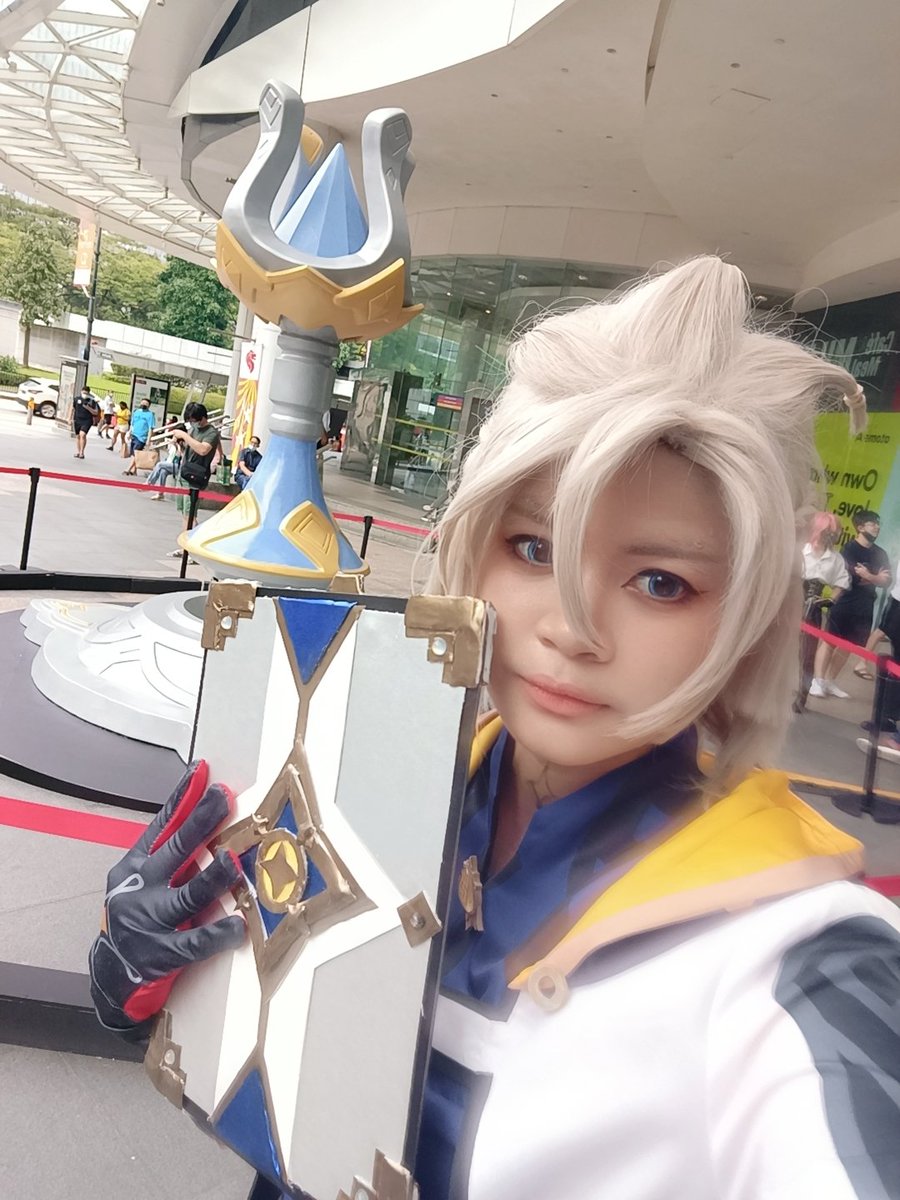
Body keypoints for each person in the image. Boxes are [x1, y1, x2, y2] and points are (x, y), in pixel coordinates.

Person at [89, 258, 900, 1200]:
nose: (572, 628)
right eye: (533, 547)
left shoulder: (795, 953)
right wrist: (143, 971)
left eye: (660, 581)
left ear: (744, 620)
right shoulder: (377, 774)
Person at [810, 508, 890, 698]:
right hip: (844, 602)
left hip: (865, 605)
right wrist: (875, 577)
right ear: (860, 527)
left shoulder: (881, 553)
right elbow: (852, 577)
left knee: (848, 645)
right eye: (872, 523)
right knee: (830, 641)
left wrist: (869, 576)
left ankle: (829, 682)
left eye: (878, 523)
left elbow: (887, 581)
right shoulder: (849, 549)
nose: (877, 527)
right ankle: (817, 681)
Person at [795, 511, 850, 710]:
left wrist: (830, 599)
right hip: (791, 606)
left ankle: (801, 696)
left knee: (807, 655)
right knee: (779, 650)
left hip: (814, 611)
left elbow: (842, 583)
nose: (832, 535)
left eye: (835, 532)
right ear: (817, 530)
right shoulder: (800, 550)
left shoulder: (835, 559)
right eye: (829, 531)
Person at [165, 402, 220, 555]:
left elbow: (203, 450)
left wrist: (184, 435)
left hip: (196, 478)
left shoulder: (211, 433)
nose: (191, 423)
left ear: (201, 418)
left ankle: (194, 550)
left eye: (193, 420)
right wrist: (180, 443)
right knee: (185, 515)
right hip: (185, 473)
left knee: (191, 515)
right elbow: (190, 449)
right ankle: (185, 549)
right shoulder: (194, 429)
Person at [123, 398, 157, 476]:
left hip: (142, 437)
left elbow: (151, 428)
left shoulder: (150, 415)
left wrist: (148, 439)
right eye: (142, 403)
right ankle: (134, 470)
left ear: (149, 406)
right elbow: (132, 424)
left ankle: (128, 469)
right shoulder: (136, 412)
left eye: (146, 404)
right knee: (133, 453)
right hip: (134, 435)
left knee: (136, 453)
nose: (143, 405)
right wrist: (129, 432)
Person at [70, 384, 99, 459]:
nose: (84, 394)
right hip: (77, 419)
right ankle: (78, 451)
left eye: (86, 393)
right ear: (81, 392)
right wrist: (70, 418)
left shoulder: (92, 401)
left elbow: (96, 412)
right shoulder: (76, 399)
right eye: (83, 392)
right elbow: (73, 409)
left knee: (82, 434)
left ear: (88, 393)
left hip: (87, 420)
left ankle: (82, 452)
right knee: (78, 436)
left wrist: (88, 408)